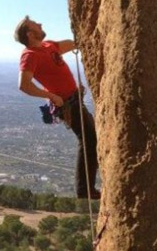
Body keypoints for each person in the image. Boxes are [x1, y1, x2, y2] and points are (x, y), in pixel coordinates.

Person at [14, 15, 100, 200]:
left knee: (91, 136)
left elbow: (72, 44)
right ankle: (84, 189)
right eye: (35, 24)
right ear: (30, 34)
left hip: (74, 99)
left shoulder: (48, 46)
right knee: (88, 140)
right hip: (66, 103)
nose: (40, 23)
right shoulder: (30, 55)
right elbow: (24, 85)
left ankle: (86, 188)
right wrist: (51, 95)